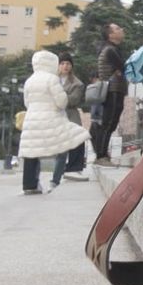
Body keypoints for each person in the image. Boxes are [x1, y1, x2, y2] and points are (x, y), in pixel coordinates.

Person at [18, 50, 91, 194]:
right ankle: (73, 169)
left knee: (31, 151)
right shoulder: (52, 79)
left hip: (31, 120)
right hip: (51, 118)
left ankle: (29, 185)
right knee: (79, 135)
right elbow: (62, 102)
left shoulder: (29, 80)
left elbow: (26, 102)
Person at [90, 24, 127, 166]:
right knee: (109, 123)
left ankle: (102, 154)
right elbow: (123, 67)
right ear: (110, 35)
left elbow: (120, 69)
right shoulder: (111, 50)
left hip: (113, 89)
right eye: (118, 29)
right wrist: (120, 71)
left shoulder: (110, 49)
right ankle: (101, 155)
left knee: (108, 124)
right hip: (113, 89)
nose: (121, 30)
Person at [57, 52, 89, 181]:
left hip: (71, 115)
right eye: (62, 63)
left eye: (68, 64)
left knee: (78, 139)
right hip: (54, 115)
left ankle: (74, 168)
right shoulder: (52, 79)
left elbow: (74, 100)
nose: (65, 66)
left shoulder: (77, 83)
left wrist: (57, 96)